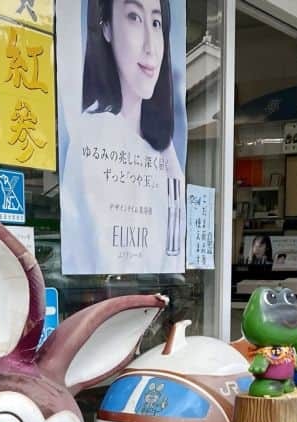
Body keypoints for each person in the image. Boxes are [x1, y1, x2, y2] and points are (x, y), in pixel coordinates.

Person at [59, 0, 184, 275]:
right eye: (134, 18)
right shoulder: (95, 135)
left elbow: (172, 258)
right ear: (106, 27)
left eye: (156, 23)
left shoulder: (162, 151)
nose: (151, 46)